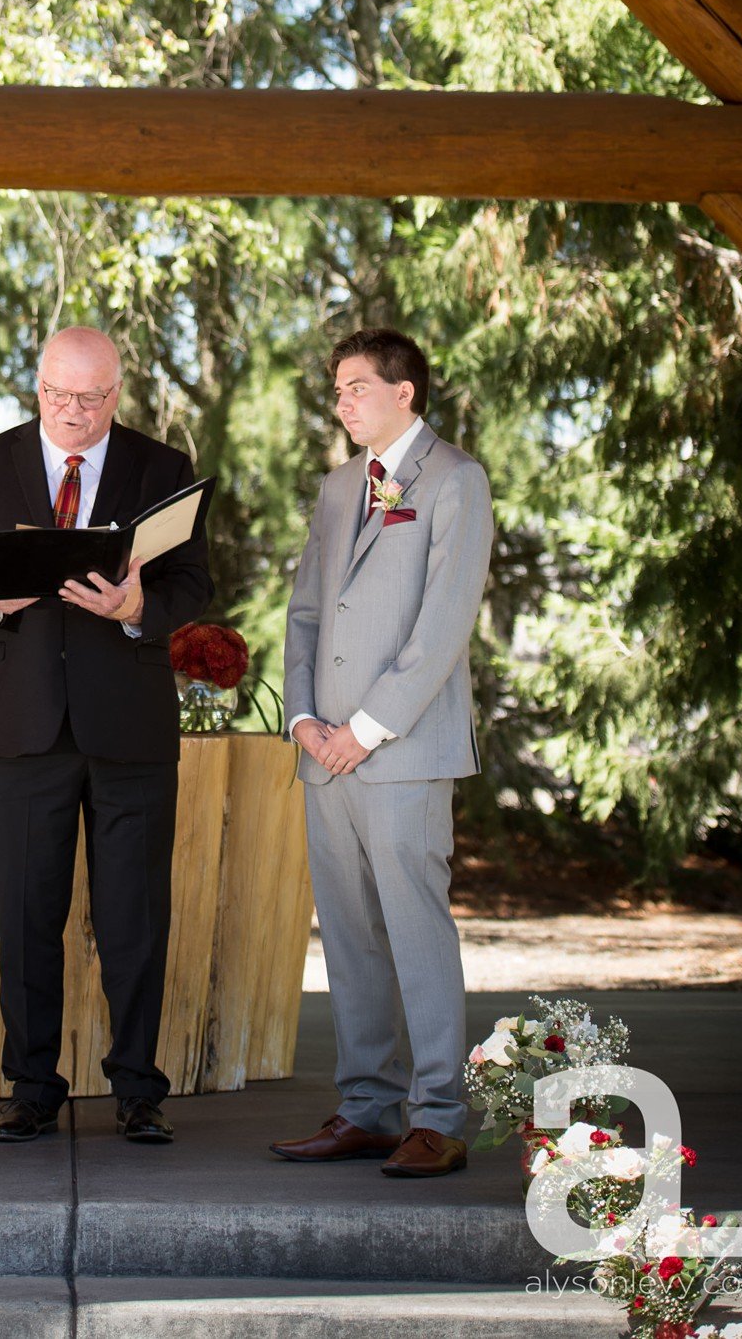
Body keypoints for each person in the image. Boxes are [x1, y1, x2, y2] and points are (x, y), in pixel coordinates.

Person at [0, 326, 213, 1147]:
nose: (75, 412)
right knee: (25, 914)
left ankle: (138, 1090)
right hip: (23, 726)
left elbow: (193, 579)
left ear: (118, 393)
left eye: (91, 398)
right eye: (59, 395)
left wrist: (136, 611)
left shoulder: (164, 469)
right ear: (36, 386)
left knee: (134, 917)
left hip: (129, 726)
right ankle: (33, 1087)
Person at [270, 328, 493, 1181]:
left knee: (415, 932)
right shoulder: (337, 489)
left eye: (357, 386)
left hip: (398, 752)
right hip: (323, 754)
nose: (342, 401)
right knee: (352, 940)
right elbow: (304, 616)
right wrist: (303, 721)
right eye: (336, 389)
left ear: (406, 392)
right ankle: (366, 1109)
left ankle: (437, 1116)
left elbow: (441, 628)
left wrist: (363, 729)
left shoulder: (456, 481)